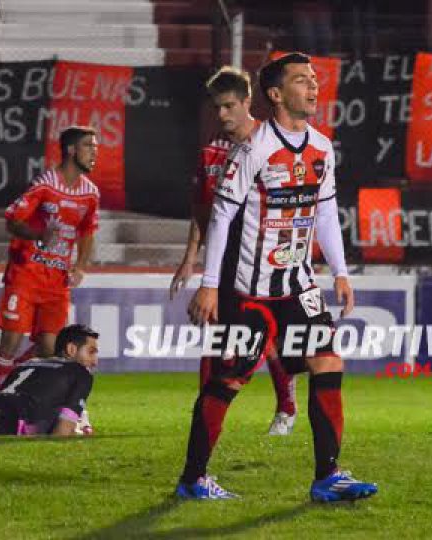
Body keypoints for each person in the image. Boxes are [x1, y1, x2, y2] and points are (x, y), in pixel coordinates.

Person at [178, 53, 377, 502]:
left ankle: (328, 477)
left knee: (328, 361)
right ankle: (193, 478)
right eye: (302, 80)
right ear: (275, 94)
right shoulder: (254, 148)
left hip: (299, 285)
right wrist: (210, 283)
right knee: (229, 380)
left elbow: (325, 212)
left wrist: (340, 273)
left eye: (314, 80)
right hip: (252, 292)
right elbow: (223, 214)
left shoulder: (322, 147)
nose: (313, 88)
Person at [169, 66, 299, 436]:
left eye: (228, 106)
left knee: (266, 338)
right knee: (215, 334)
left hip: (264, 258)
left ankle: (286, 405)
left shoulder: (273, 144)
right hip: (225, 260)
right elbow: (203, 212)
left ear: (246, 103)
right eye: (216, 108)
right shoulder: (211, 153)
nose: (221, 115)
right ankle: (206, 415)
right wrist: (190, 260)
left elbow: (292, 204)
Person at [0, 126, 100, 390]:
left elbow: (87, 231)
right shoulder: (45, 185)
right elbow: (13, 220)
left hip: (57, 280)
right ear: (71, 150)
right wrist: (38, 233)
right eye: (89, 146)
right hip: (26, 273)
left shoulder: (90, 193)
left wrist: (81, 267)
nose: (95, 152)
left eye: (96, 147)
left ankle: (15, 380)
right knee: (11, 341)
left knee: (50, 349)